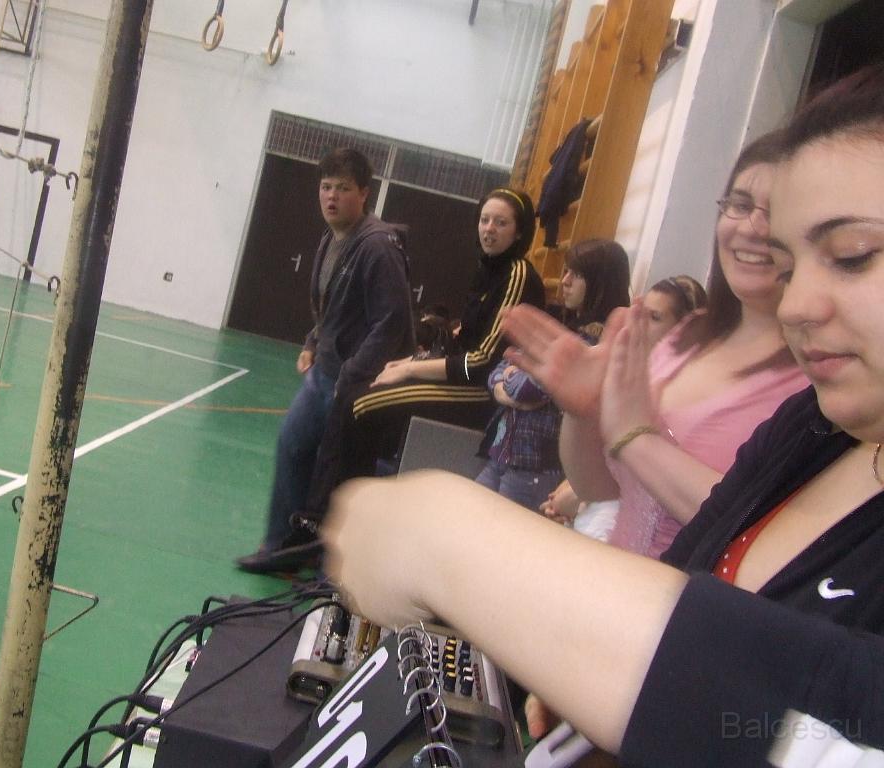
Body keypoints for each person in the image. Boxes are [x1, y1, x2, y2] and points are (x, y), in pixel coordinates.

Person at [322, 63, 884, 766]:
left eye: (853, 256)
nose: (799, 302)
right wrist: (588, 654)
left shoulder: (809, 392)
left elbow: (830, 712)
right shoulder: (814, 423)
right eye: (791, 264)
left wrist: (448, 539)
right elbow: (673, 553)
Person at [509, 131, 809, 559]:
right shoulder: (688, 334)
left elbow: (766, 531)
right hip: (616, 576)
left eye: (776, 211)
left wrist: (635, 437)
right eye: (740, 205)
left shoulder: (819, 376)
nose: (751, 228)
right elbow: (601, 487)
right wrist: (583, 413)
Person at [276, 187, 547, 567]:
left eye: (501, 223)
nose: (489, 229)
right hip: (464, 379)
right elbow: (465, 341)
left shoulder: (516, 274)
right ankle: (328, 523)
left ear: (518, 232)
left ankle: (328, 527)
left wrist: (409, 368)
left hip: (482, 393)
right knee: (356, 392)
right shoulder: (488, 270)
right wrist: (415, 358)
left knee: (360, 404)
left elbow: (482, 363)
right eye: (485, 220)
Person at [235, 148, 414, 574]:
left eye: (343, 188)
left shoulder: (377, 247)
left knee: (337, 472)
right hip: (325, 371)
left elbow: (392, 322)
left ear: (364, 193)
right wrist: (312, 341)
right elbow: (331, 305)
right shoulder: (332, 239)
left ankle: (321, 560)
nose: (331, 196)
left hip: (351, 381)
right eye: (326, 187)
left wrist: (354, 374)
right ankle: (282, 546)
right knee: (293, 445)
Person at [542, 275, 707, 539]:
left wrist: (577, 497)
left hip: (623, 524)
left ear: (684, 329)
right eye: (638, 313)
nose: (638, 323)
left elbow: (643, 475)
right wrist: (572, 489)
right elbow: (596, 451)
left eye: (654, 317)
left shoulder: (683, 394)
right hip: (591, 507)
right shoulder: (626, 371)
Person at [474, 239, 630, 511]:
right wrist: (504, 386)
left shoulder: (598, 342)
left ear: (601, 282)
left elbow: (528, 389)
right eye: (566, 271)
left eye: (576, 275)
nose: (565, 281)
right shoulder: (564, 324)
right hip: (503, 453)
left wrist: (508, 381)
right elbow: (499, 368)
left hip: (536, 467)